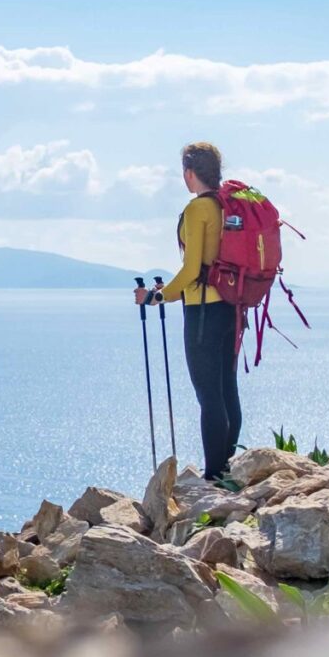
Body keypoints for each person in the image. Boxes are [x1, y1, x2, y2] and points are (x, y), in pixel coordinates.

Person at [135, 141, 242, 480]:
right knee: (227, 389)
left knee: (208, 395)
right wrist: (167, 291)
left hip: (203, 314)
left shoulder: (197, 210)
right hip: (230, 307)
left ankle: (213, 476)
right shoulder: (227, 206)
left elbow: (192, 270)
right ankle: (225, 466)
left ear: (190, 173)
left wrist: (157, 298)